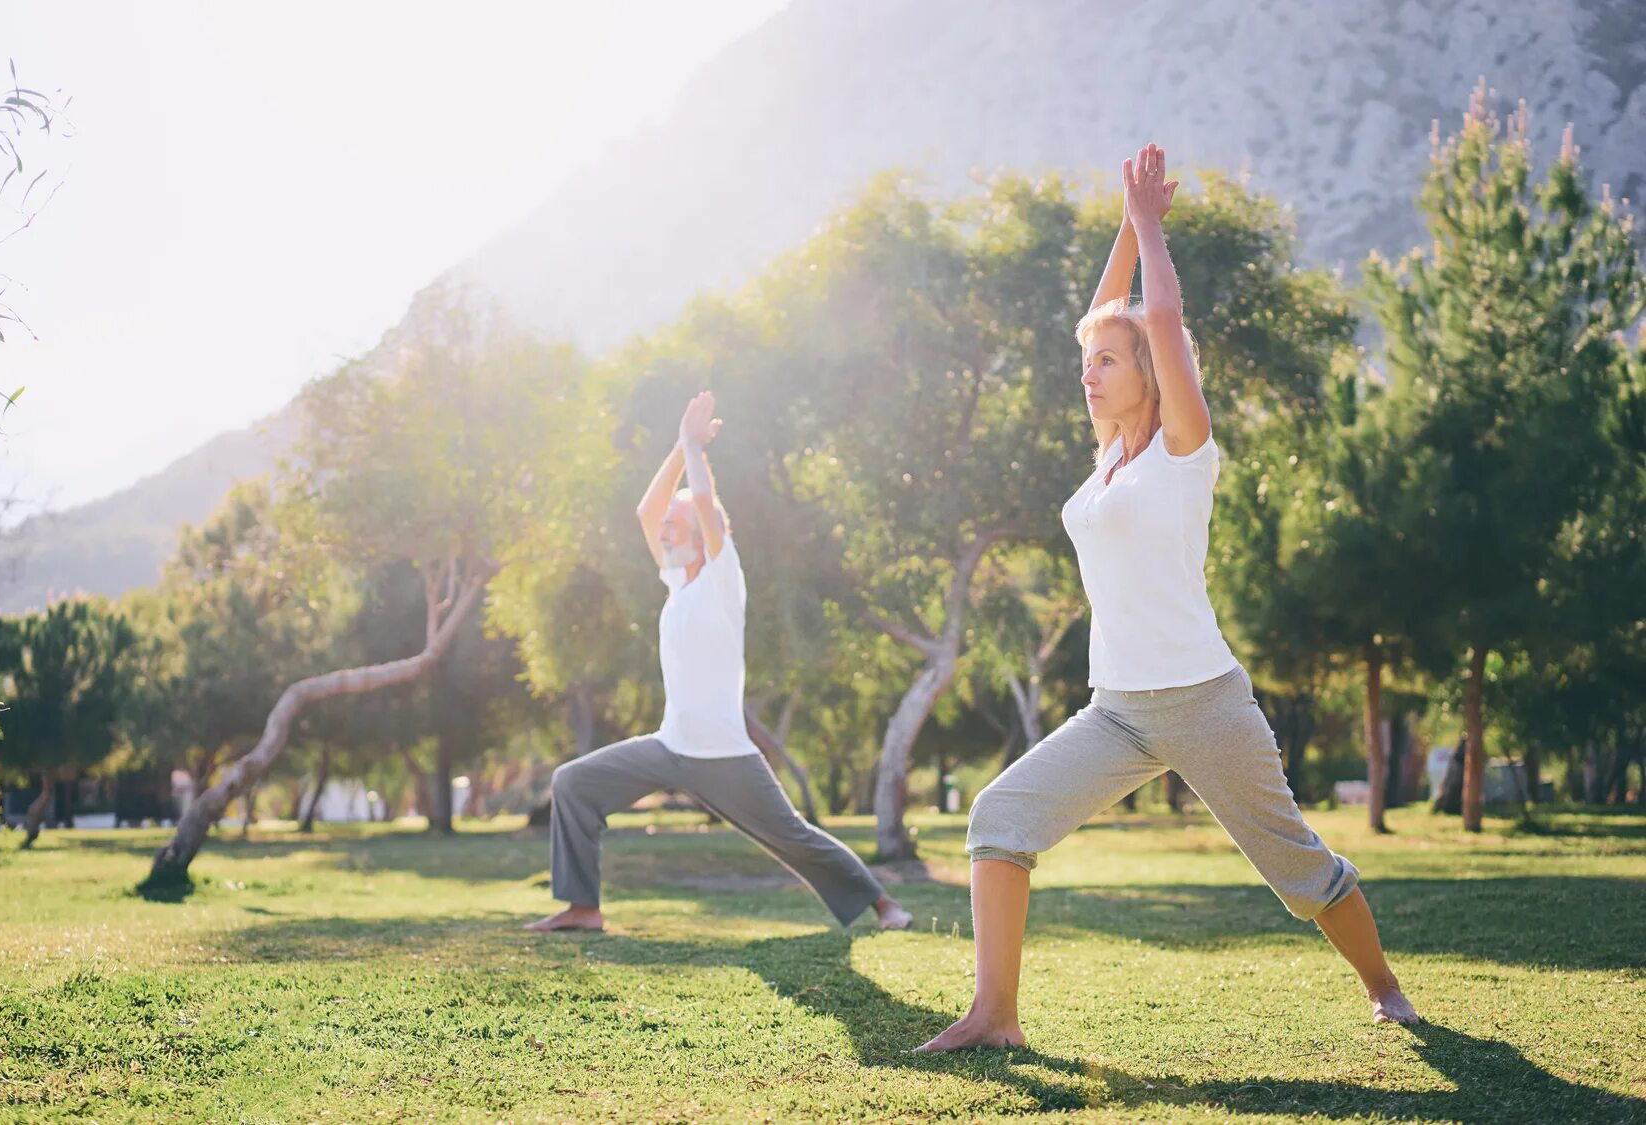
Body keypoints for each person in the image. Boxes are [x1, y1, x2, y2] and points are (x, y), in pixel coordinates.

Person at [917, 145, 1417, 1050]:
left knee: (1301, 873)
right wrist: (1121, 223)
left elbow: (1164, 318)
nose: (1091, 371)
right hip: (1116, 710)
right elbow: (1097, 320)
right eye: (1091, 362)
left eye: (1111, 360)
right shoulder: (1107, 455)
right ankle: (995, 1016)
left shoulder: (1183, 451)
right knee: (999, 817)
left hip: (1204, 703)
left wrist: (1151, 225)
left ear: (1150, 370)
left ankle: (1383, 986)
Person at [525, 392, 912, 934]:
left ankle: (881, 905)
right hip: (669, 746)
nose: (662, 530)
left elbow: (704, 506)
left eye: (674, 524)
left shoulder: (722, 580)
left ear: (705, 536)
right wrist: (678, 451)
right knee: (573, 783)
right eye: (666, 526)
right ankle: (583, 909)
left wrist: (694, 448)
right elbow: (645, 509)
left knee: (794, 837)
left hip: (725, 754)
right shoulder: (675, 585)